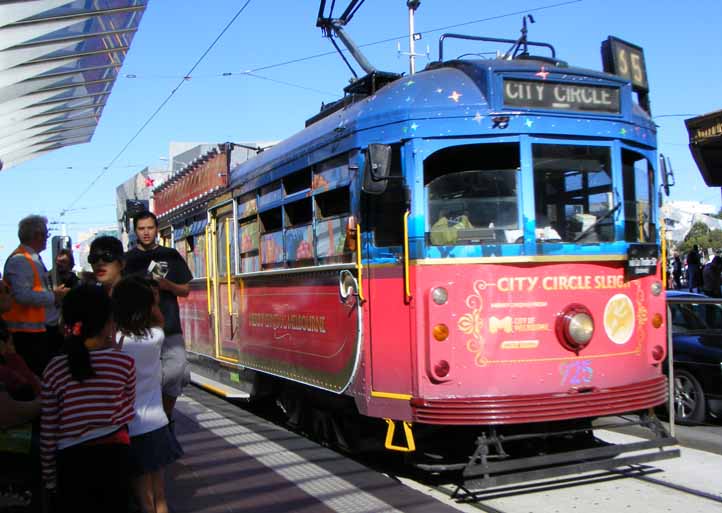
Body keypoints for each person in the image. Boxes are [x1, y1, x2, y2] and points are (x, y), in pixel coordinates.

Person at [40, 284, 136, 513]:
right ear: (108, 324)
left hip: (72, 463)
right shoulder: (123, 363)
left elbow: (49, 429)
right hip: (115, 459)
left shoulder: (54, 368)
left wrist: (50, 478)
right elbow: (127, 410)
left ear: (66, 324)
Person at [113, 277, 181, 513]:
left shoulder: (118, 343)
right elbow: (159, 320)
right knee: (160, 494)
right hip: (157, 425)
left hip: (132, 429)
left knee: (144, 499)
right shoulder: (155, 337)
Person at [124, 211, 192, 421]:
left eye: (150, 228)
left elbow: (185, 289)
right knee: (140, 376)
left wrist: (167, 285)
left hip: (169, 324)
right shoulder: (127, 260)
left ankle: (166, 411)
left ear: (156, 229)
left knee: (179, 369)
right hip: (137, 327)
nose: (146, 233)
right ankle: (155, 417)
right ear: (135, 231)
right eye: (141, 228)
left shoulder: (170, 255)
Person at [2, 215, 68, 376]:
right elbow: (22, 295)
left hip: (38, 331)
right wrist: (54, 296)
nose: (47, 237)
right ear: (38, 235)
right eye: (46, 234)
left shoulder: (31, 258)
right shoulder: (20, 260)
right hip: (27, 335)